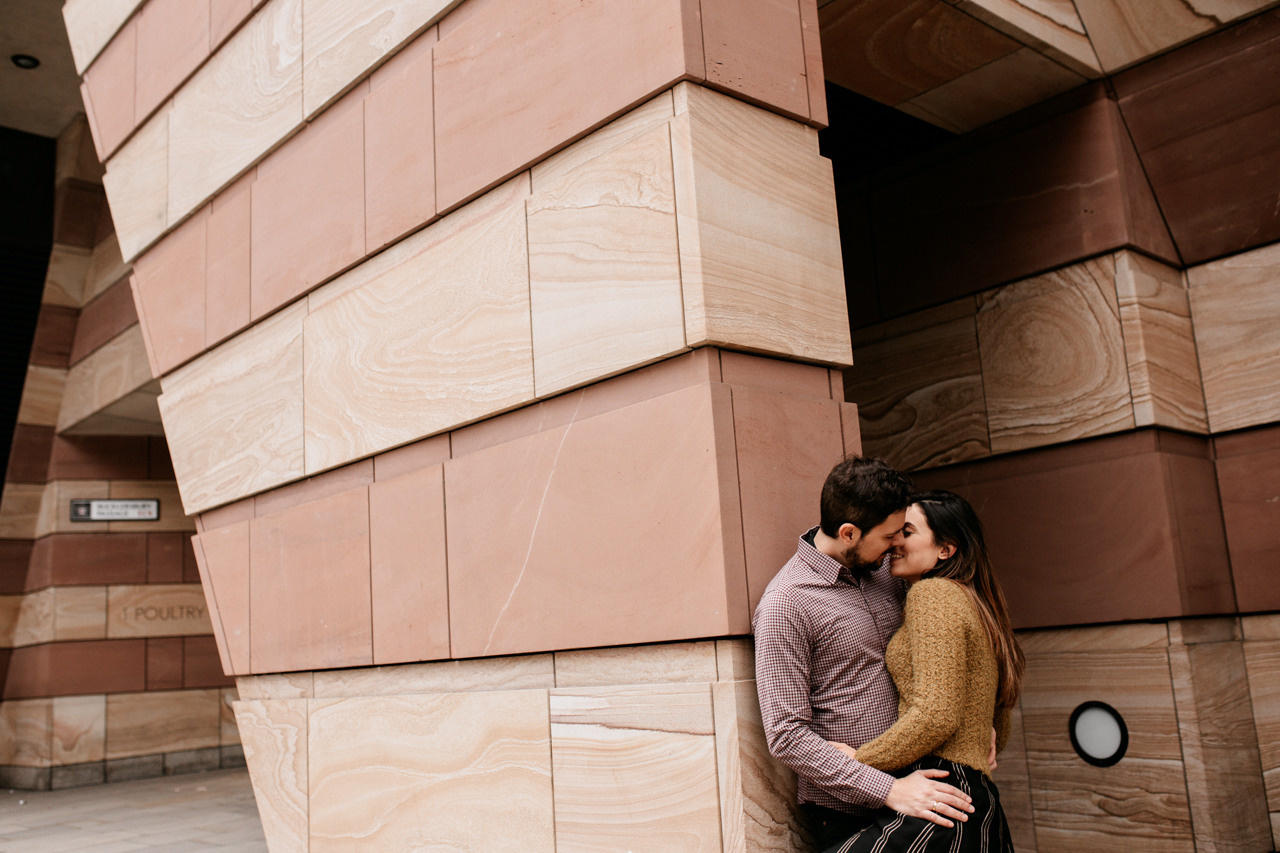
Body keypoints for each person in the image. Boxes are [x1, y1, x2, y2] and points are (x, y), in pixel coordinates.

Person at [753, 457, 977, 851]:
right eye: (890, 535)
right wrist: (888, 789)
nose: (898, 544)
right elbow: (786, 735)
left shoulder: (892, 574)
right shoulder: (785, 604)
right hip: (851, 811)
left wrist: (980, 721)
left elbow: (945, 654)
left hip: (922, 787)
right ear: (849, 533)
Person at [822, 490, 1025, 852]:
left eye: (908, 532)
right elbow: (1000, 728)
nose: (895, 542)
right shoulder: (975, 602)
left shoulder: (933, 596)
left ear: (945, 550)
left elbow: (936, 715)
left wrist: (858, 761)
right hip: (970, 797)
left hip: (940, 792)